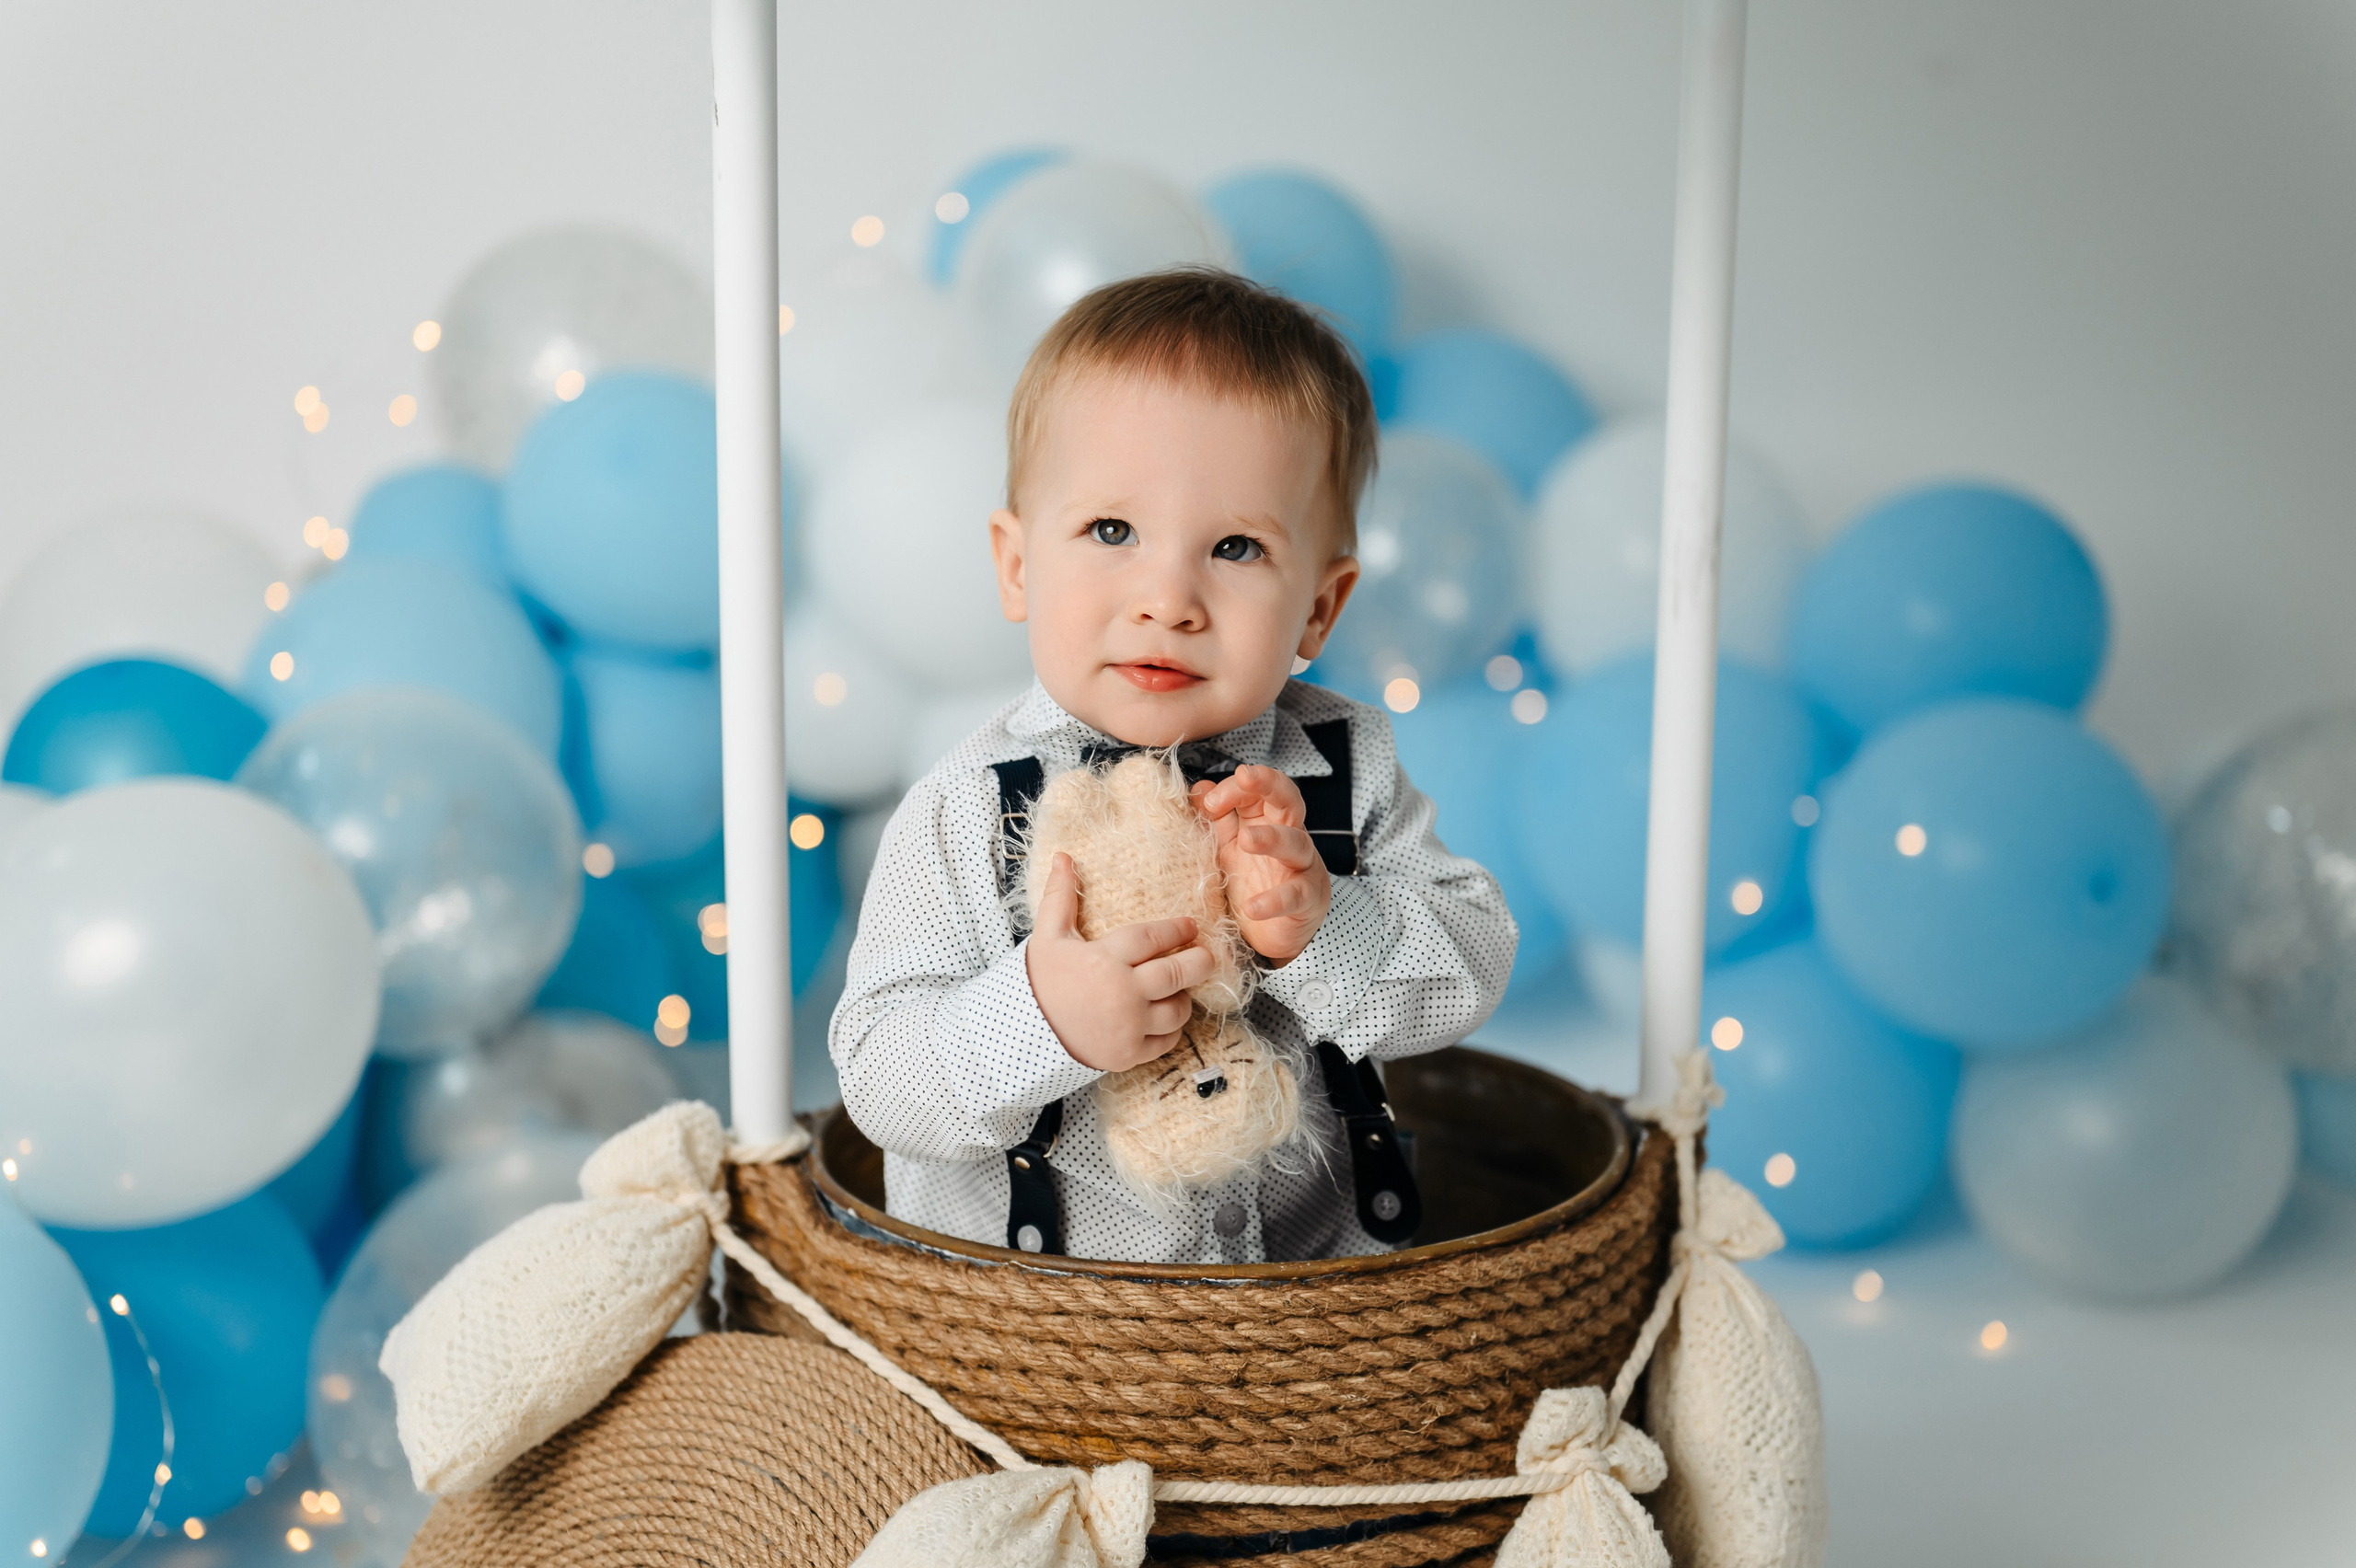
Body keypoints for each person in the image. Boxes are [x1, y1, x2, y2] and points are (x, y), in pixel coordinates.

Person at [831, 269, 1515, 1264]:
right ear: (1018, 566)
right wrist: (1040, 1018)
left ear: (1319, 610)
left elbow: (1472, 968)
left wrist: (1325, 929)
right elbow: (880, 1076)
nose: (1168, 599)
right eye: (1112, 531)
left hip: (1316, 1308)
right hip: (1042, 1325)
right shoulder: (967, 809)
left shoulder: (1340, 768)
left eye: (1235, 547)